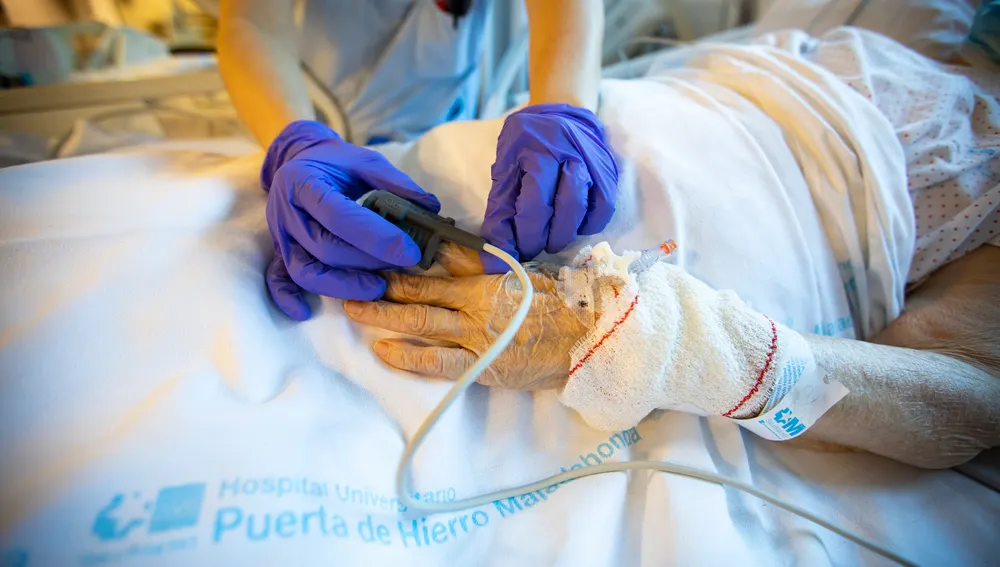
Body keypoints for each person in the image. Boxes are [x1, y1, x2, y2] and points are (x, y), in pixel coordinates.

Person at [343, 25, 1000, 470]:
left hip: (719, 268)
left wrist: (637, 340)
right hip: (617, 131)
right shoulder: (890, 49)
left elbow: (968, 408)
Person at [214, 0, 619, 319]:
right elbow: (252, 24)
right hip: (311, 116)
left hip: (459, 120)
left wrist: (565, 103)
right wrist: (294, 140)